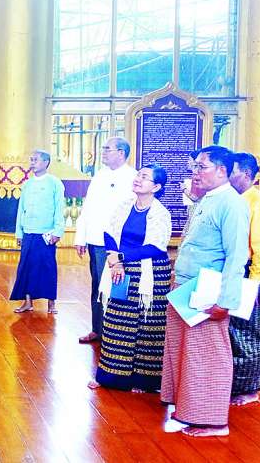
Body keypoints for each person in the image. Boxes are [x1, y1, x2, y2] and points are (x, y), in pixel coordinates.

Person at [160, 145, 250, 438]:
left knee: (207, 355)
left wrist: (225, 301)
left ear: (222, 171)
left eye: (202, 167)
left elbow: (236, 256)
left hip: (208, 293)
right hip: (185, 288)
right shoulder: (206, 199)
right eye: (195, 167)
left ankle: (213, 421)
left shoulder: (231, 203)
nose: (195, 173)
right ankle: (186, 409)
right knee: (183, 351)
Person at [88, 164, 172, 392]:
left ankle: (144, 381)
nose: (138, 179)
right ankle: (111, 377)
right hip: (121, 271)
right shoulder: (125, 205)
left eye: (144, 177)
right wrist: (116, 261)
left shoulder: (161, 213)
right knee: (116, 322)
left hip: (150, 275)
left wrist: (120, 257)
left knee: (147, 327)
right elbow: (109, 232)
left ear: (156, 187)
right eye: (138, 175)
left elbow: (156, 246)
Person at [74, 137, 137, 343]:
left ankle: (115, 331)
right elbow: (87, 207)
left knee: (115, 286)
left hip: (117, 245)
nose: (103, 152)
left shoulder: (132, 177)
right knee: (97, 285)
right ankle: (97, 329)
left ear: (121, 153)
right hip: (95, 239)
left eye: (107, 149)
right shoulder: (99, 175)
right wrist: (81, 237)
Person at [228, 152, 260, 405]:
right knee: (232, 329)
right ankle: (232, 384)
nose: (228, 175)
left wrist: (255, 282)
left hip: (252, 273)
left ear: (246, 174)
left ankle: (249, 389)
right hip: (236, 271)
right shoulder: (234, 200)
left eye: (232, 171)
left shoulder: (259, 204)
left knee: (246, 332)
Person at [9, 150, 65, 314]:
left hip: (46, 234)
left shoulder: (55, 183)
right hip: (28, 232)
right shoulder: (27, 184)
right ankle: (28, 302)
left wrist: (58, 231)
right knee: (25, 267)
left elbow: (59, 208)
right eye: (31, 160)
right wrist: (19, 233)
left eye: (36, 160)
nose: (32, 163)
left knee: (47, 267)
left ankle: (51, 303)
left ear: (46, 162)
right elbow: (21, 209)